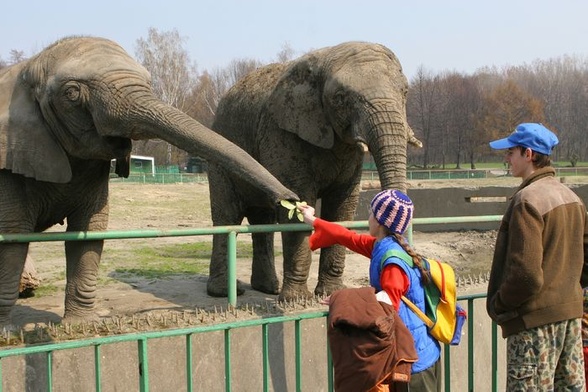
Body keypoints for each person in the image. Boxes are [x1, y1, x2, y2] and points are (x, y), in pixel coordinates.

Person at [299, 189, 442, 392]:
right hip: (414, 353)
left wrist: (342, 299)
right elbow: (348, 237)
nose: (368, 218)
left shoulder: (393, 262)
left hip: (414, 362)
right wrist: (312, 220)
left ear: (379, 221)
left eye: (371, 213)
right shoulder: (386, 246)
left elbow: (387, 304)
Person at [486, 122, 588, 390]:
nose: (507, 158)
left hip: (533, 328)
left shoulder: (527, 200)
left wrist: (499, 304)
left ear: (528, 154)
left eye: (511, 152)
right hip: (570, 322)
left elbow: (526, 275)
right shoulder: (573, 198)